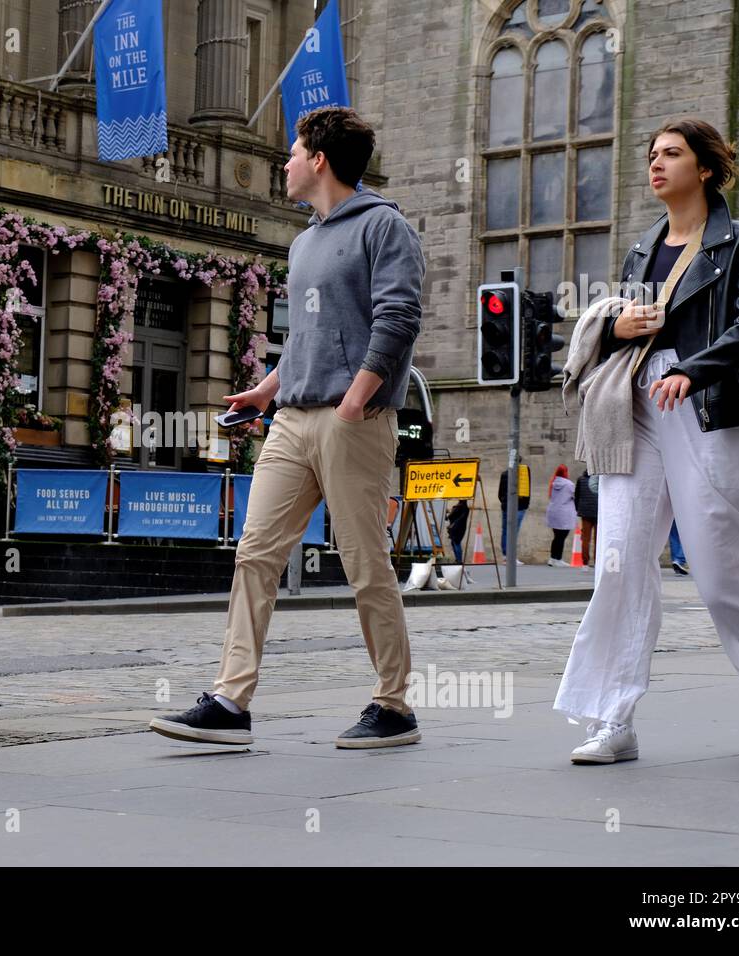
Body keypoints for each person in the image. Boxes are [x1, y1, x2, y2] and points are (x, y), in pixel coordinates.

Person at [148, 106, 426, 749]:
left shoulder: (384, 227)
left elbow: (398, 318)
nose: (286, 162)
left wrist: (355, 403)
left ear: (320, 160)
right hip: (292, 419)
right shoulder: (303, 241)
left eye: (295, 151)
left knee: (364, 565)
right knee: (255, 554)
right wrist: (267, 390)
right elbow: (305, 337)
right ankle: (229, 700)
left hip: (351, 420)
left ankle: (395, 706)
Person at [556, 116, 739, 764]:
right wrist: (617, 328)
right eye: (651, 154)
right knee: (617, 559)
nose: (656, 163)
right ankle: (612, 717)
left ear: (705, 168)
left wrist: (692, 370)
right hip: (636, 406)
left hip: (705, 406)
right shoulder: (643, 249)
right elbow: (632, 325)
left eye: (672, 153)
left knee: (722, 566)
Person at [497, 464, 530, 565]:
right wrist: (526, 504)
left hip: (506, 506)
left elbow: (500, 493)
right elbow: (528, 490)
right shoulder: (525, 473)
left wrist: (503, 501)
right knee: (513, 532)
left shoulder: (505, 474)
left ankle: (506, 556)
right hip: (519, 507)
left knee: (506, 531)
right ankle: (511, 557)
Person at [544, 465, 577, 567]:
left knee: (557, 536)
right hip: (564, 513)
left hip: (553, 512)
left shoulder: (553, 483)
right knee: (562, 536)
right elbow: (575, 496)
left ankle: (552, 558)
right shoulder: (569, 484)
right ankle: (558, 559)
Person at [574, 469, 599, 568]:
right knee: (598, 539)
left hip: (585, 513)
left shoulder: (581, 479)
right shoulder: (599, 480)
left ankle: (585, 562)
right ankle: (597, 561)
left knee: (585, 539)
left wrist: (578, 509)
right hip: (598, 512)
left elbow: (577, 496)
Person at [446, 499, 470, 564]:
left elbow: (461, 519)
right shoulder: (457, 507)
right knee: (454, 543)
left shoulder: (464, 508)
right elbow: (450, 517)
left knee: (456, 543)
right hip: (455, 528)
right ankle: (458, 559)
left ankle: (459, 560)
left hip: (458, 528)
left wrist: (453, 524)